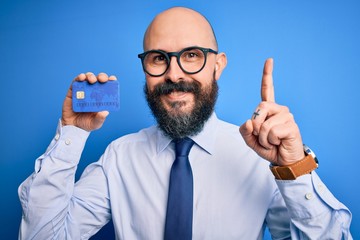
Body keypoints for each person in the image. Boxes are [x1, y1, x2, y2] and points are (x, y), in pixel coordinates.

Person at [18, 6, 352, 240]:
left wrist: (294, 168)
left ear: (217, 66)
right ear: (145, 68)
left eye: (191, 55)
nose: (174, 74)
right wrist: (71, 134)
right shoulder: (118, 158)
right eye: (159, 58)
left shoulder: (262, 159)